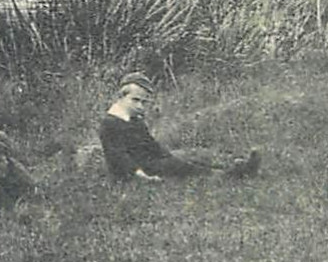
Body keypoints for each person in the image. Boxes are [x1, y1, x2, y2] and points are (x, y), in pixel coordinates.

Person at [99, 72, 260, 182]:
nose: (140, 106)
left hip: (151, 161)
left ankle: (236, 164)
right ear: (121, 97)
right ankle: (228, 176)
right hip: (136, 171)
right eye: (135, 100)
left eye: (143, 102)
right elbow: (119, 158)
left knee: (192, 156)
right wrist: (142, 176)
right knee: (182, 167)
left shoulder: (135, 119)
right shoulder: (111, 123)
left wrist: (166, 155)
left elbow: (150, 144)